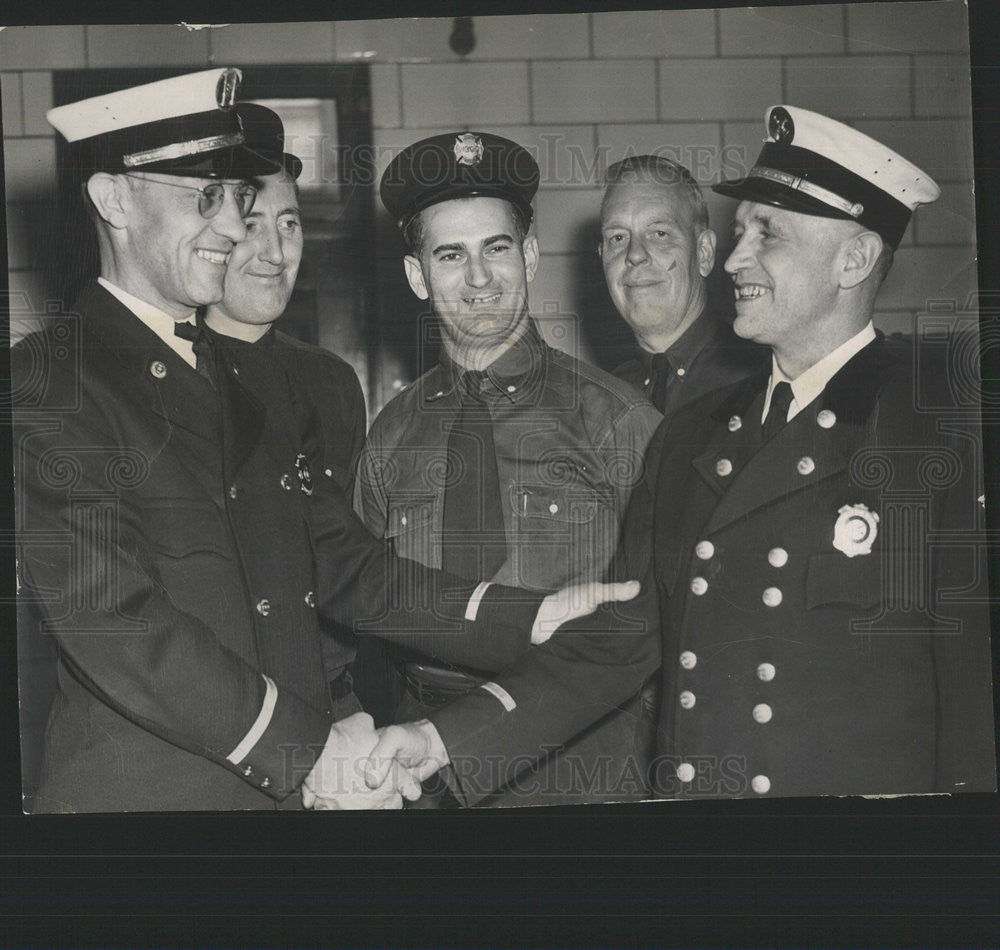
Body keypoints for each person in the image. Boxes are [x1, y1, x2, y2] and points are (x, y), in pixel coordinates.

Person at [15, 70, 641, 812]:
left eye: (239, 199)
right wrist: (306, 749)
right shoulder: (50, 381)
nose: (231, 227)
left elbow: (348, 567)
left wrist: (525, 616)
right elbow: (114, 621)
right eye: (203, 199)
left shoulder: (252, 381)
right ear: (114, 199)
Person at [370, 105, 996, 801]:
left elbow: (976, 703)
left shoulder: (942, 420)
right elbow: (618, 643)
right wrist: (440, 742)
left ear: (854, 258)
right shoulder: (694, 434)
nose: (732, 259)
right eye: (738, 232)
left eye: (768, 234)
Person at [356, 131, 662, 805]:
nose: (478, 277)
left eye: (496, 248)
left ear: (527, 256)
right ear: (417, 275)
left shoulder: (614, 418)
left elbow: (657, 619)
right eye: (450, 254)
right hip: (426, 765)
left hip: (581, 761)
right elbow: (358, 613)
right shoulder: (390, 436)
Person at [201, 103, 369, 724]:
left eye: (290, 224)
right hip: (220, 717)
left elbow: (349, 563)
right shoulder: (164, 373)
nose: (275, 251)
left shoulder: (331, 382)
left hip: (329, 701)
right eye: (250, 224)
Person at [599, 155, 764, 416]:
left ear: (704, 253)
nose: (635, 254)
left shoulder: (763, 381)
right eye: (617, 238)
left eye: (660, 234)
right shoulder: (599, 402)